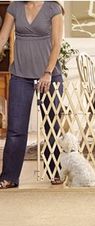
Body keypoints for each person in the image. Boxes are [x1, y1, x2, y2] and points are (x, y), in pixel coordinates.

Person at [0, 1, 64, 189]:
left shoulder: (53, 8)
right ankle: (9, 177)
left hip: (49, 76)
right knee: (16, 130)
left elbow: (56, 43)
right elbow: (2, 38)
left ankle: (55, 171)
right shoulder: (15, 7)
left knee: (51, 126)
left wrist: (48, 72)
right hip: (20, 75)